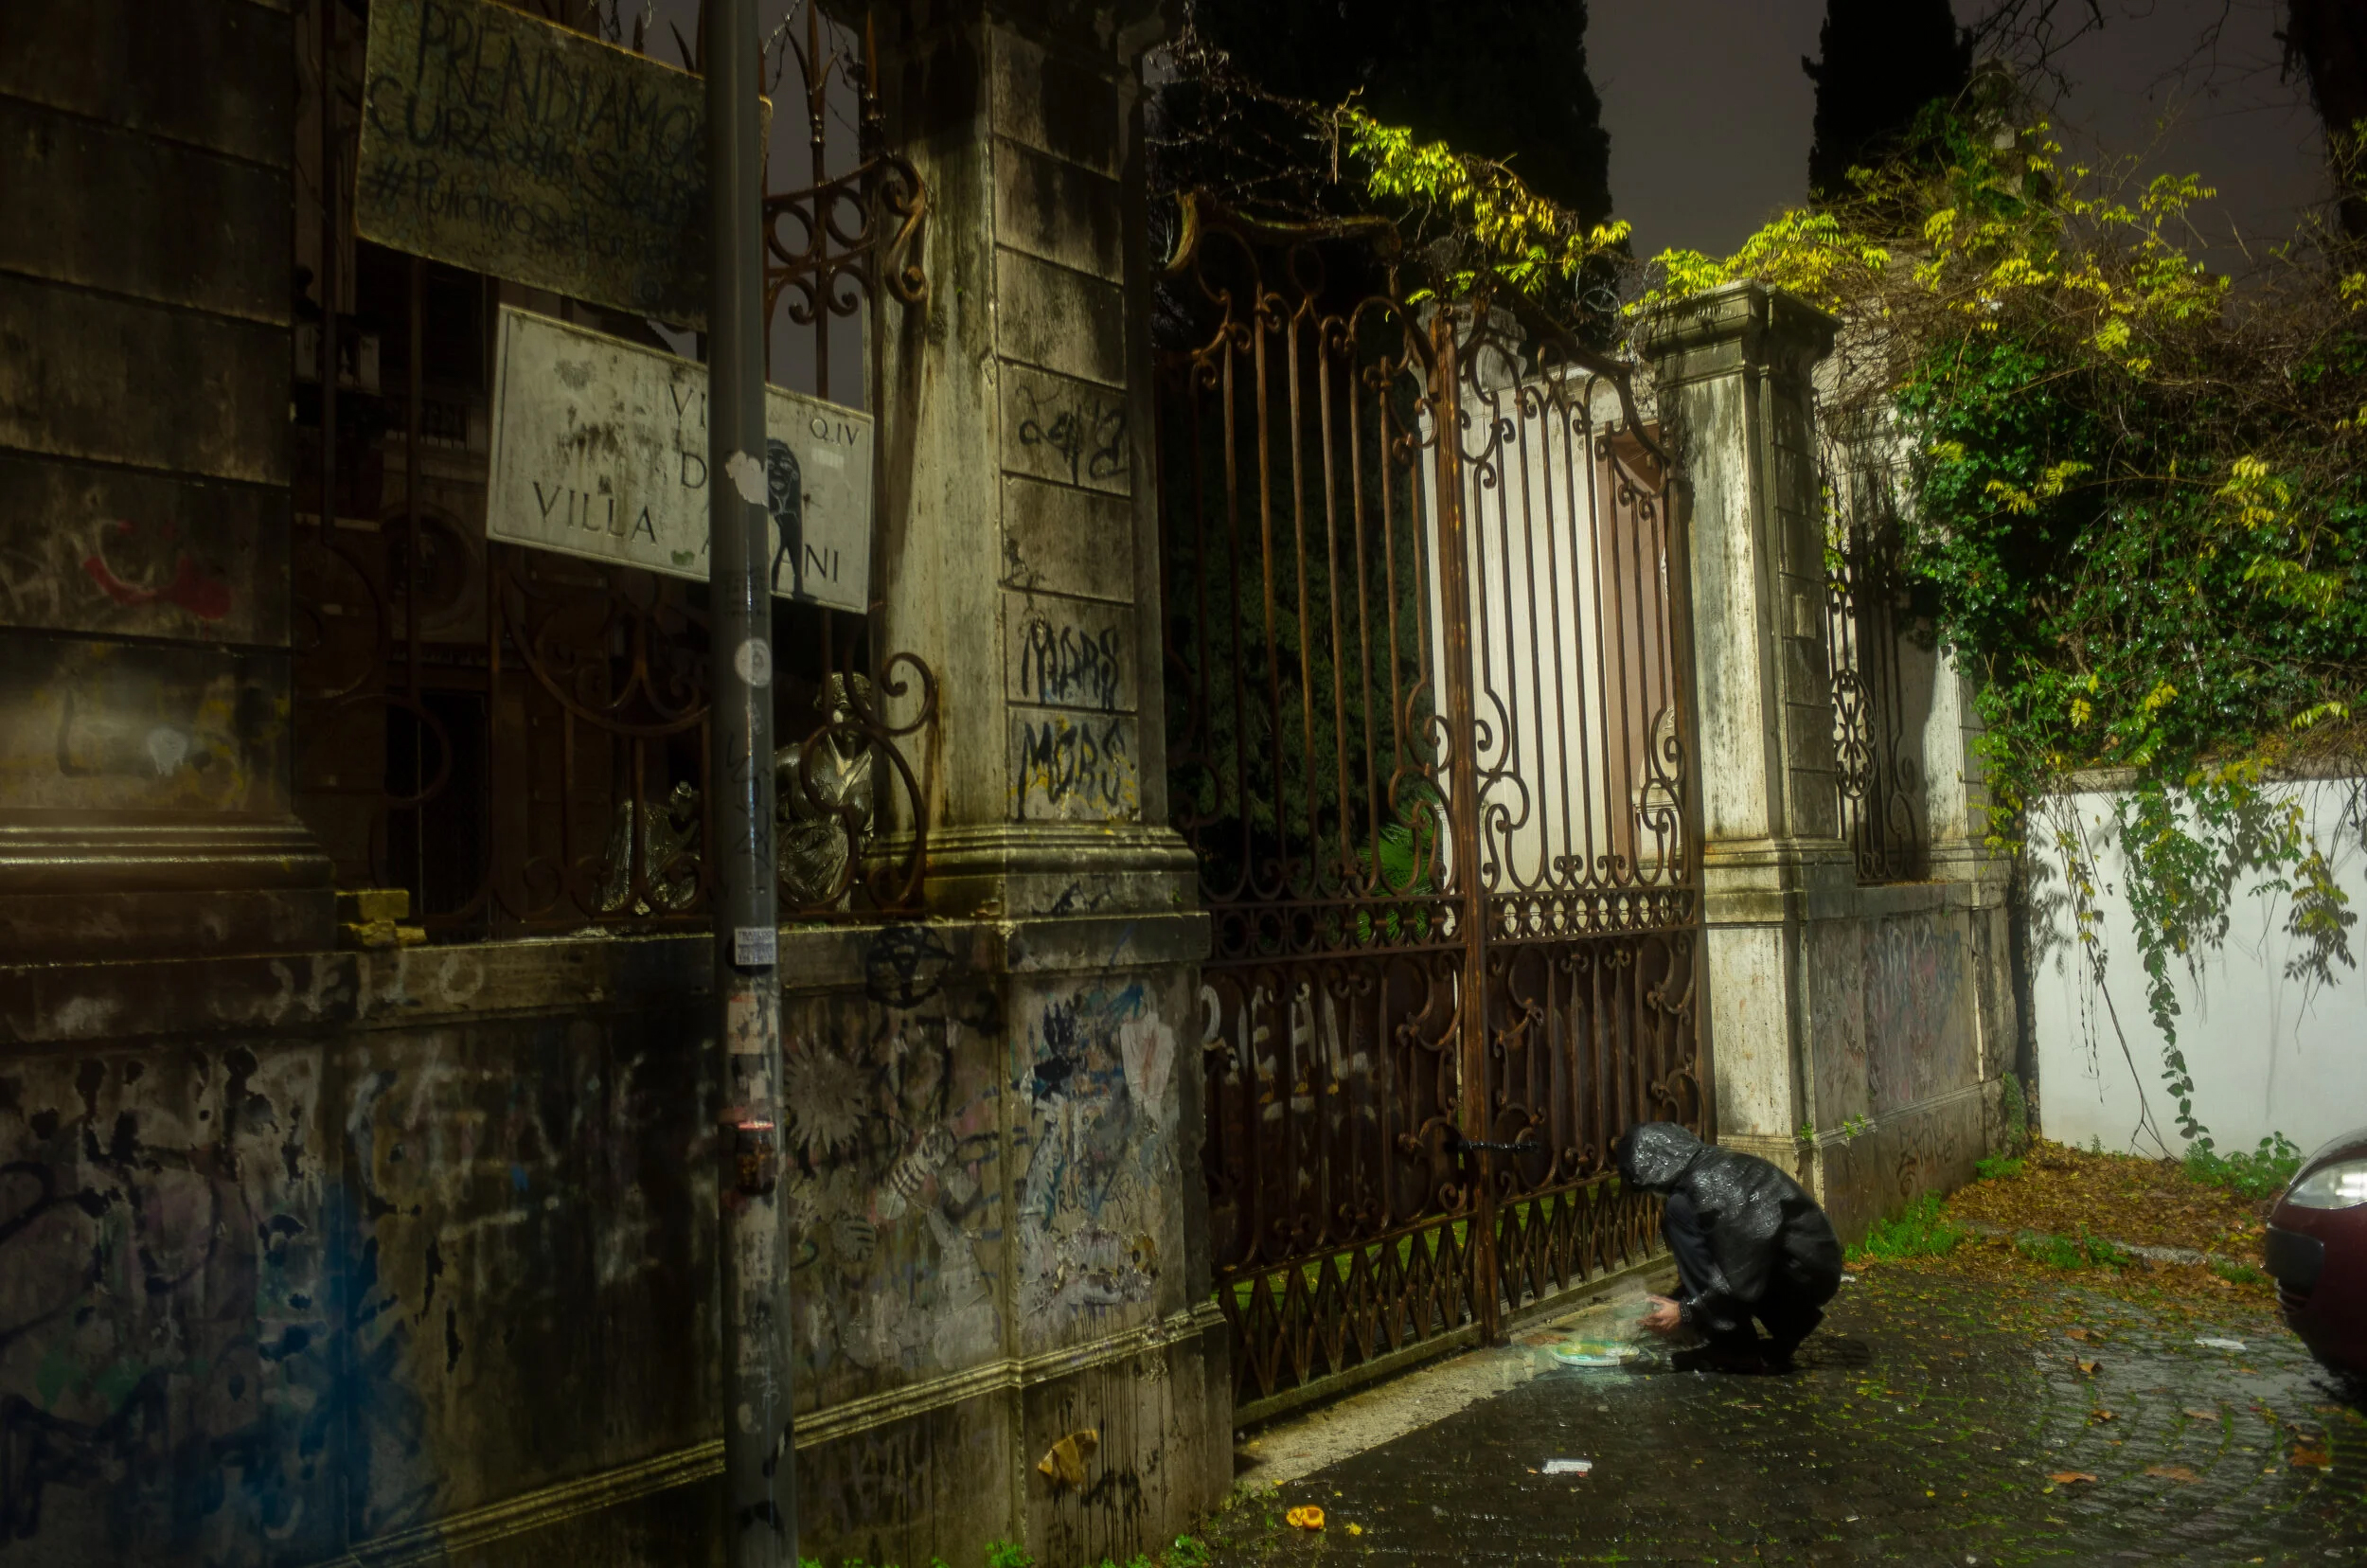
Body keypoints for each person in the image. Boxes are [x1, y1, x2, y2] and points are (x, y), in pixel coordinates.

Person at [1616, 1121, 1843, 1373]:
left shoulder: (1706, 1184)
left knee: (1679, 1210)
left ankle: (1735, 1348)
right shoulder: (1716, 1164)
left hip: (1803, 1275)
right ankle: (1777, 1331)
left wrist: (1686, 1312)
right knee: (1683, 1211)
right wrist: (1680, 1299)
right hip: (1807, 1266)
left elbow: (1740, 1272)